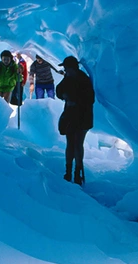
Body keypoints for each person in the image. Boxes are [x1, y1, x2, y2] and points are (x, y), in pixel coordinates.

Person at [56, 56, 95, 185]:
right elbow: (59, 90)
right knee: (71, 143)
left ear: (72, 68)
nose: (65, 70)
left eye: (66, 68)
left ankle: (76, 173)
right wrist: (65, 96)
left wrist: (74, 101)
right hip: (72, 116)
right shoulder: (69, 78)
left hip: (82, 116)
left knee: (77, 144)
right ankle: (69, 172)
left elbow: (90, 99)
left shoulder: (83, 80)